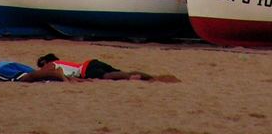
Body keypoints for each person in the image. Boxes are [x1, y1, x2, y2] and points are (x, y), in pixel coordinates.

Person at [36, 53, 179, 82]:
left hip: (86, 70)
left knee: (108, 76)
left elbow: (56, 72)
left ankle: (132, 77)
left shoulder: (52, 65)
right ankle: (149, 76)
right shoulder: (63, 61)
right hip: (90, 62)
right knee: (118, 72)